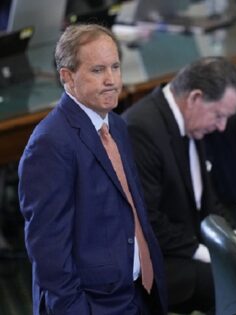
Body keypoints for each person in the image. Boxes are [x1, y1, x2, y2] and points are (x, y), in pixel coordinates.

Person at [18, 24, 166, 315]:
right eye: (97, 70)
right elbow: (49, 252)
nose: (111, 80)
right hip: (95, 305)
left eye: (115, 66)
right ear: (67, 77)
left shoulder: (117, 125)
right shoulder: (50, 144)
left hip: (138, 293)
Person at [122, 56, 236, 314]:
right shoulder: (140, 130)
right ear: (195, 98)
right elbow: (148, 222)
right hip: (155, 261)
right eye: (219, 115)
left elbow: (207, 202)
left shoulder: (191, 122)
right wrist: (214, 255)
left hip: (184, 243)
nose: (222, 127)